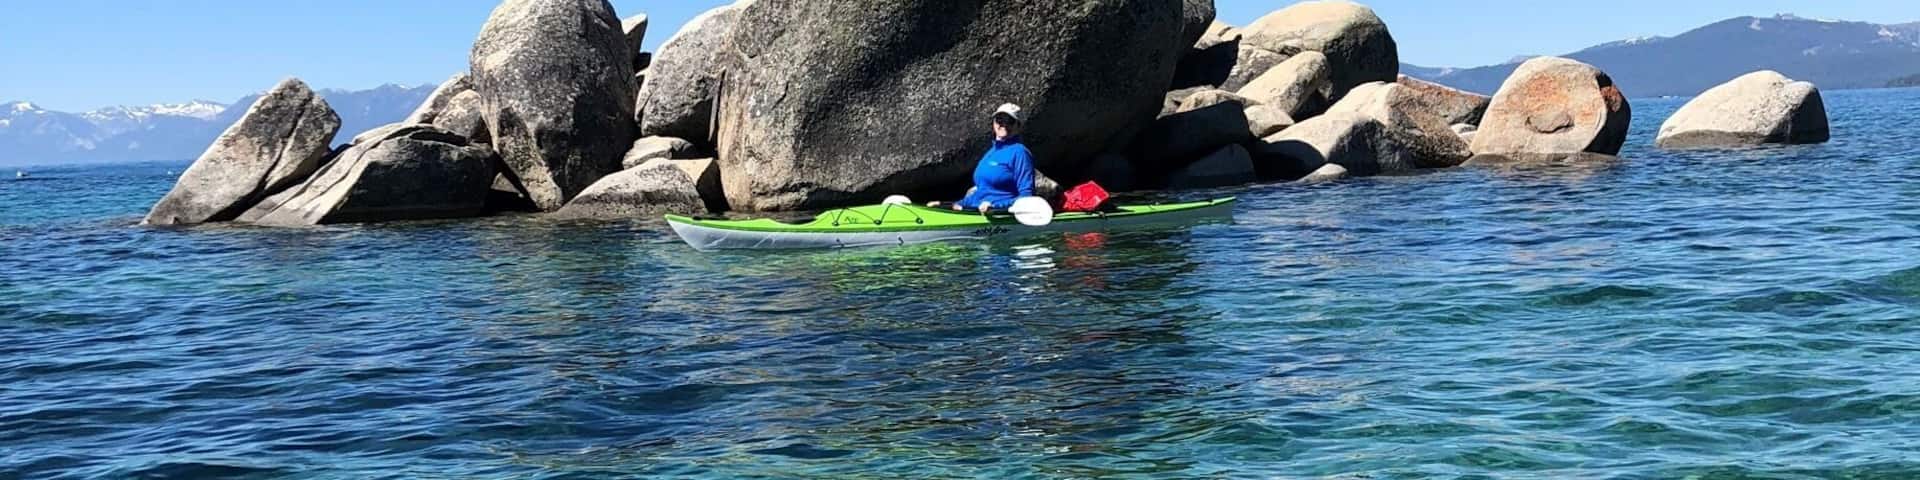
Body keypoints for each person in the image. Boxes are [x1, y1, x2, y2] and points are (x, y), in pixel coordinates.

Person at [935, 103, 1036, 214]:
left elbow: (1026, 197)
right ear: (993, 123)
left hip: (998, 214)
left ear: (1018, 126)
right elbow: (982, 191)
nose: (1004, 124)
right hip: (977, 211)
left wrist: (996, 206)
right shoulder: (990, 153)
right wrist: (952, 204)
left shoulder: (1020, 152)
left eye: (1010, 121)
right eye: (1000, 120)